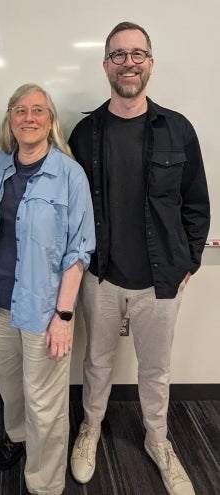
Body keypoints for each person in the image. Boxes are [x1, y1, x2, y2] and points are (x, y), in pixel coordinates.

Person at [69, 21, 210, 495]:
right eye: (119, 54)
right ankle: (90, 429)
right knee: (97, 363)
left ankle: (158, 440)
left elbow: (197, 202)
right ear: (106, 64)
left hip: (161, 281)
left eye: (137, 53)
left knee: (156, 369)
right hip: (101, 277)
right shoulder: (85, 131)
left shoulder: (178, 128)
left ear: (149, 61)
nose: (128, 62)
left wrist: (188, 261)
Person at [0, 83, 95, 495]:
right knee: (9, 384)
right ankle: (18, 436)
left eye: (38, 111)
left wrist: (64, 317)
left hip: (45, 309)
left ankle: (44, 483)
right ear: (10, 118)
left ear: (50, 121)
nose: (29, 117)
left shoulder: (69, 174)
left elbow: (79, 251)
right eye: (20, 110)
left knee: (45, 403)